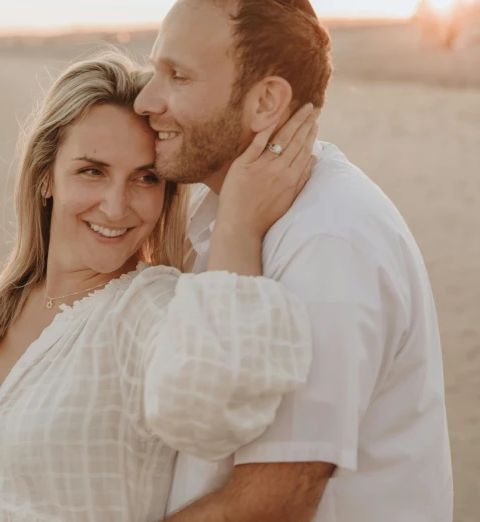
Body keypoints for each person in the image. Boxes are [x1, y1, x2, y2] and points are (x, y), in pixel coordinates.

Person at [0, 51, 320, 522]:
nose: (117, 208)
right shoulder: (0, 298)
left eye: (145, 178)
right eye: (92, 171)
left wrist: (237, 225)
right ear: (45, 178)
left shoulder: (148, 307)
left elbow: (216, 415)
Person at [133, 0, 453, 520]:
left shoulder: (329, 240)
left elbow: (269, 505)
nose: (147, 101)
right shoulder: (229, 212)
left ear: (265, 102)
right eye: (155, 71)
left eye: (178, 76)